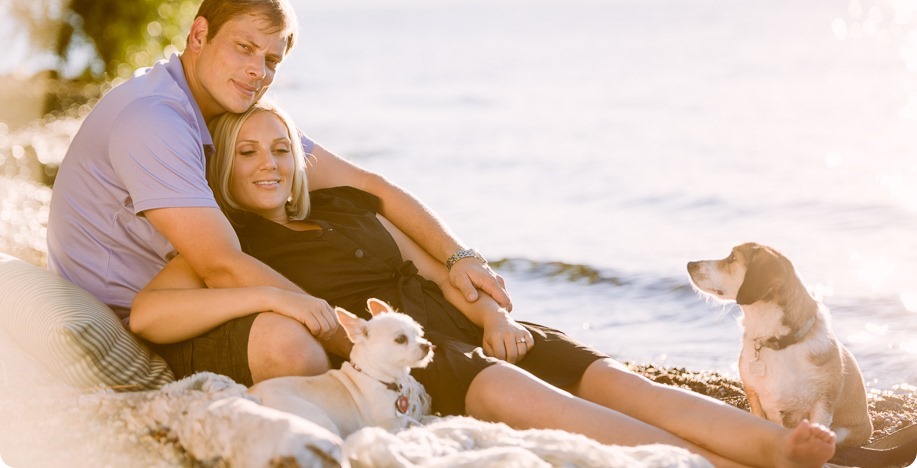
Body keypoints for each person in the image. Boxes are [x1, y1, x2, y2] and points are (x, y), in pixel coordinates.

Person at [129, 101, 837, 468]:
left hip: (464, 322)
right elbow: (147, 315)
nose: (269, 164)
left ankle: (773, 448)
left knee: (620, 384)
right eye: (248, 152)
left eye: (281, 149)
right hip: (417, 350)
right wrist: (268, 295)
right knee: (546, 405)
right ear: (220, 167)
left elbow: (427, 266)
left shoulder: (345, 204)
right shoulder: (226, 242)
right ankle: (714, 464)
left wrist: (491, 316)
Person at [47, 0, 509, 381]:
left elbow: (370, 188)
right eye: (244, 48)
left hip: (197, 292)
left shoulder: (233, 108)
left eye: (272, 60)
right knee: (295, 344)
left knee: (340, 224)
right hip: (144, 315)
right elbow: (221, 265)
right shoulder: (154, 120)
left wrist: (460, 259)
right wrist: (367, 348)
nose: (257, 70)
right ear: (198, 35)